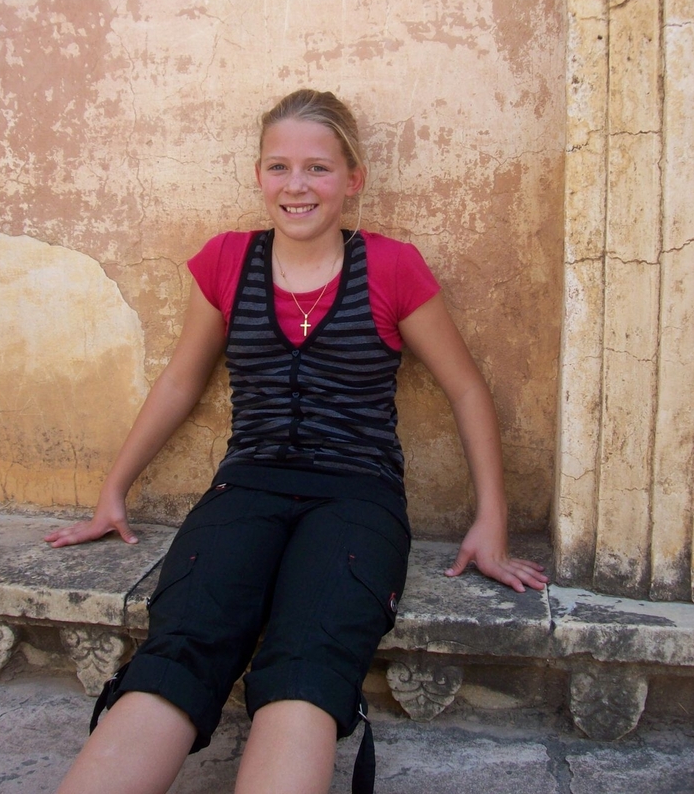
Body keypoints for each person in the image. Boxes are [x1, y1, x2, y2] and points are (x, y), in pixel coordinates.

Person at [46, 88, 548, 794]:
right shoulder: (225, 261)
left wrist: (489, 520)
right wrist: (113, 489)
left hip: (356, 498)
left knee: (308, 662)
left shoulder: (393, 267)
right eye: (278, 166)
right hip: (245, 486)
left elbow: (465, 388)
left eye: (317, 168)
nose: (297, 185)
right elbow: (180, 383)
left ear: (353, 179)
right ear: (258, 175)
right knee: (180, 644)